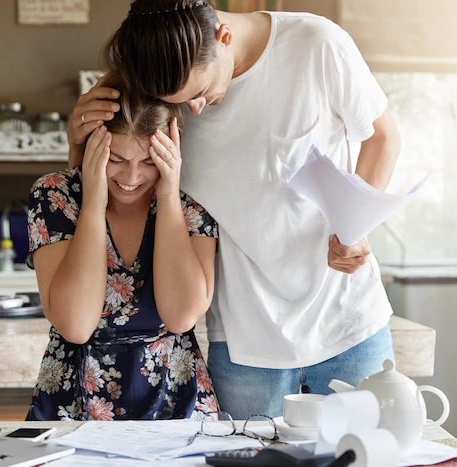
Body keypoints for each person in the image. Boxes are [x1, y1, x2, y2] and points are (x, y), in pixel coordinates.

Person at [67, 1, 402, 419]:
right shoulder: (152, 80)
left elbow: (383, 137)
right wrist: (76, 141)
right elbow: (120, 176)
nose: (194, 110)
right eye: (179, 100)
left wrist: (354, 224)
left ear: (222, 36)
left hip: (348, 324)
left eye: (199, 92)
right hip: (244, 345)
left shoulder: (317, 44)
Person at [25, 77, 220, 421]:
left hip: (175, 400)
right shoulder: (56, 195)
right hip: (75, 400)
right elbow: (76, 325)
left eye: (148, 161)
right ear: (92, 149)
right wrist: (93, 202)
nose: (132, 176)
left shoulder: (192, 202)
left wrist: (168, 195)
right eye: (115, 158)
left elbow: (180, 316)